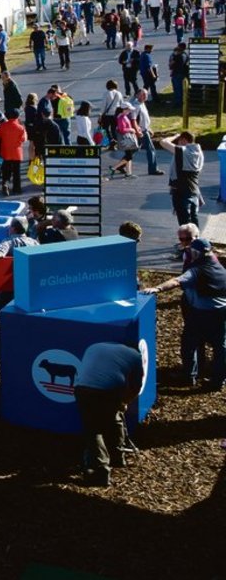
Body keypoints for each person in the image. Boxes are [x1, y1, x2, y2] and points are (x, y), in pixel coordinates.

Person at [146, 233, 226, 390]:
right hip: (221, 313)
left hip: (202, 314)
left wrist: (158, 288)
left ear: (196, 253)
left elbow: (177, 281)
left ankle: (189, 376)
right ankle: (217, 381)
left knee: (189, 344)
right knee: (220, 348)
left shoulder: (197, 269)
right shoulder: (220, 268)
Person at [70, 342, 143, 488]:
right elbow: (136, 386)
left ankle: (104, 463)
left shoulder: (94, 346)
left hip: (83, 389)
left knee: (93, 428)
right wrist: (124, 402)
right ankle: (105, 467)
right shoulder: (135, 356)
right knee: (109, 420)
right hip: (110, 391)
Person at [162, 131, 204, 229]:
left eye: (179, 141)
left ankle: (188, 238)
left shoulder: (183, 151)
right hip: (194, 190)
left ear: (184, 140)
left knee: (185, 223)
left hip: (181, 191)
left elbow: (163, 142)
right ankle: (196, 237)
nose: (177, 143)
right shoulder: (199, 153)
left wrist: (175, 136)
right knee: (193, 219)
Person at [0, 109, 27, 195]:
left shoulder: (3, 125)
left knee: (6, 170)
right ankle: (17, 188)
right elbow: (24, 139)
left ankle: (5, 183)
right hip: (17, 152)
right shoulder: (20, 127)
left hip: (5, 152)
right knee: (16, 172)